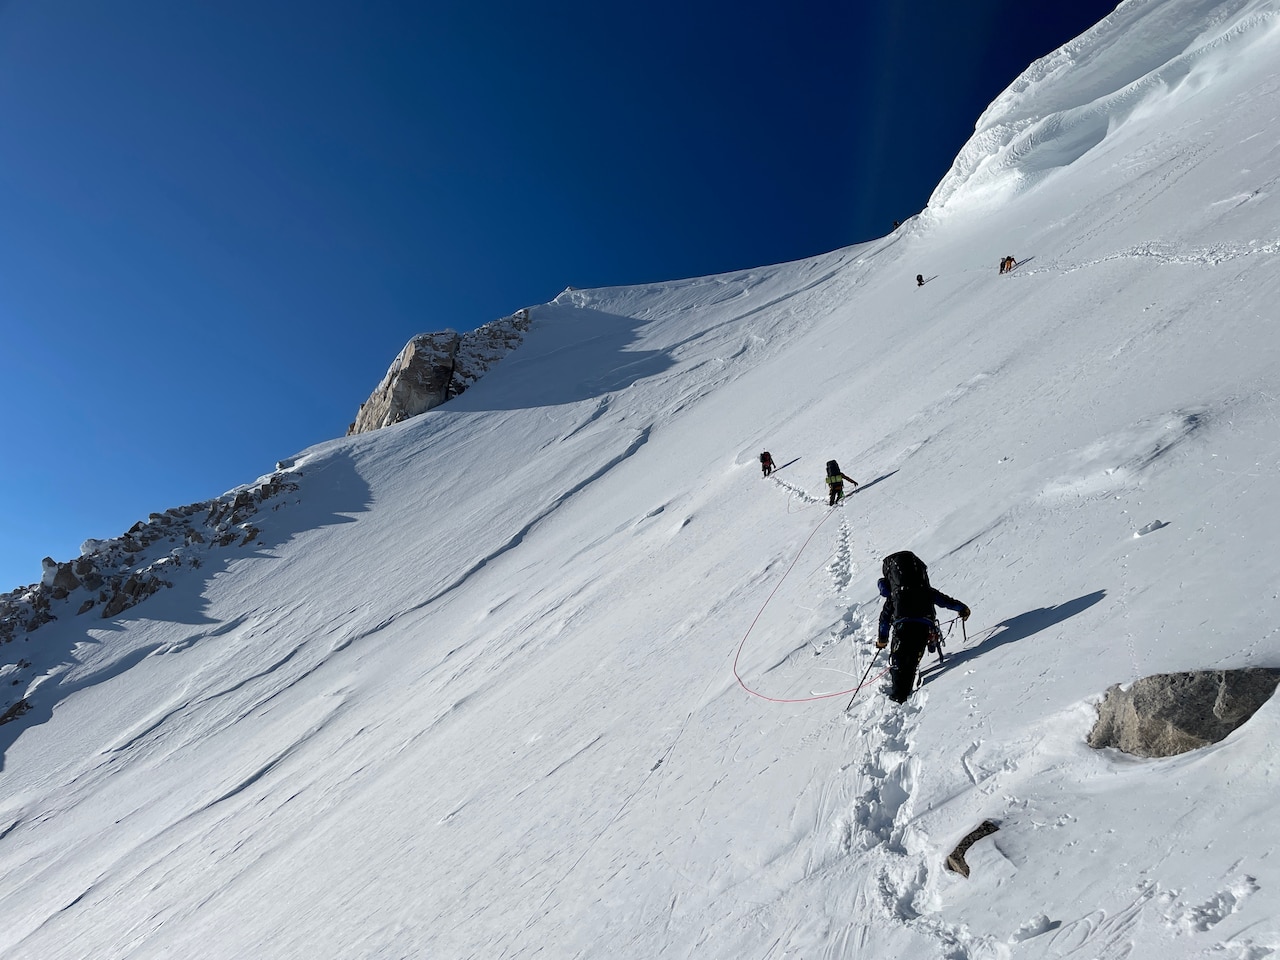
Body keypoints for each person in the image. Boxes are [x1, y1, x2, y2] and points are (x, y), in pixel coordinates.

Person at [876, 551, 970, 703]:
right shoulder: (924, 590)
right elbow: (945, 601)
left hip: (902, 626)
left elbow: (884, 619)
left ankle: (898, 697)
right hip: (923, 627)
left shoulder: (895, 594)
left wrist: (882, 639)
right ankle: (904, 695)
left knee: (900, 661)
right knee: (912, 660)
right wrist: (962, 609)